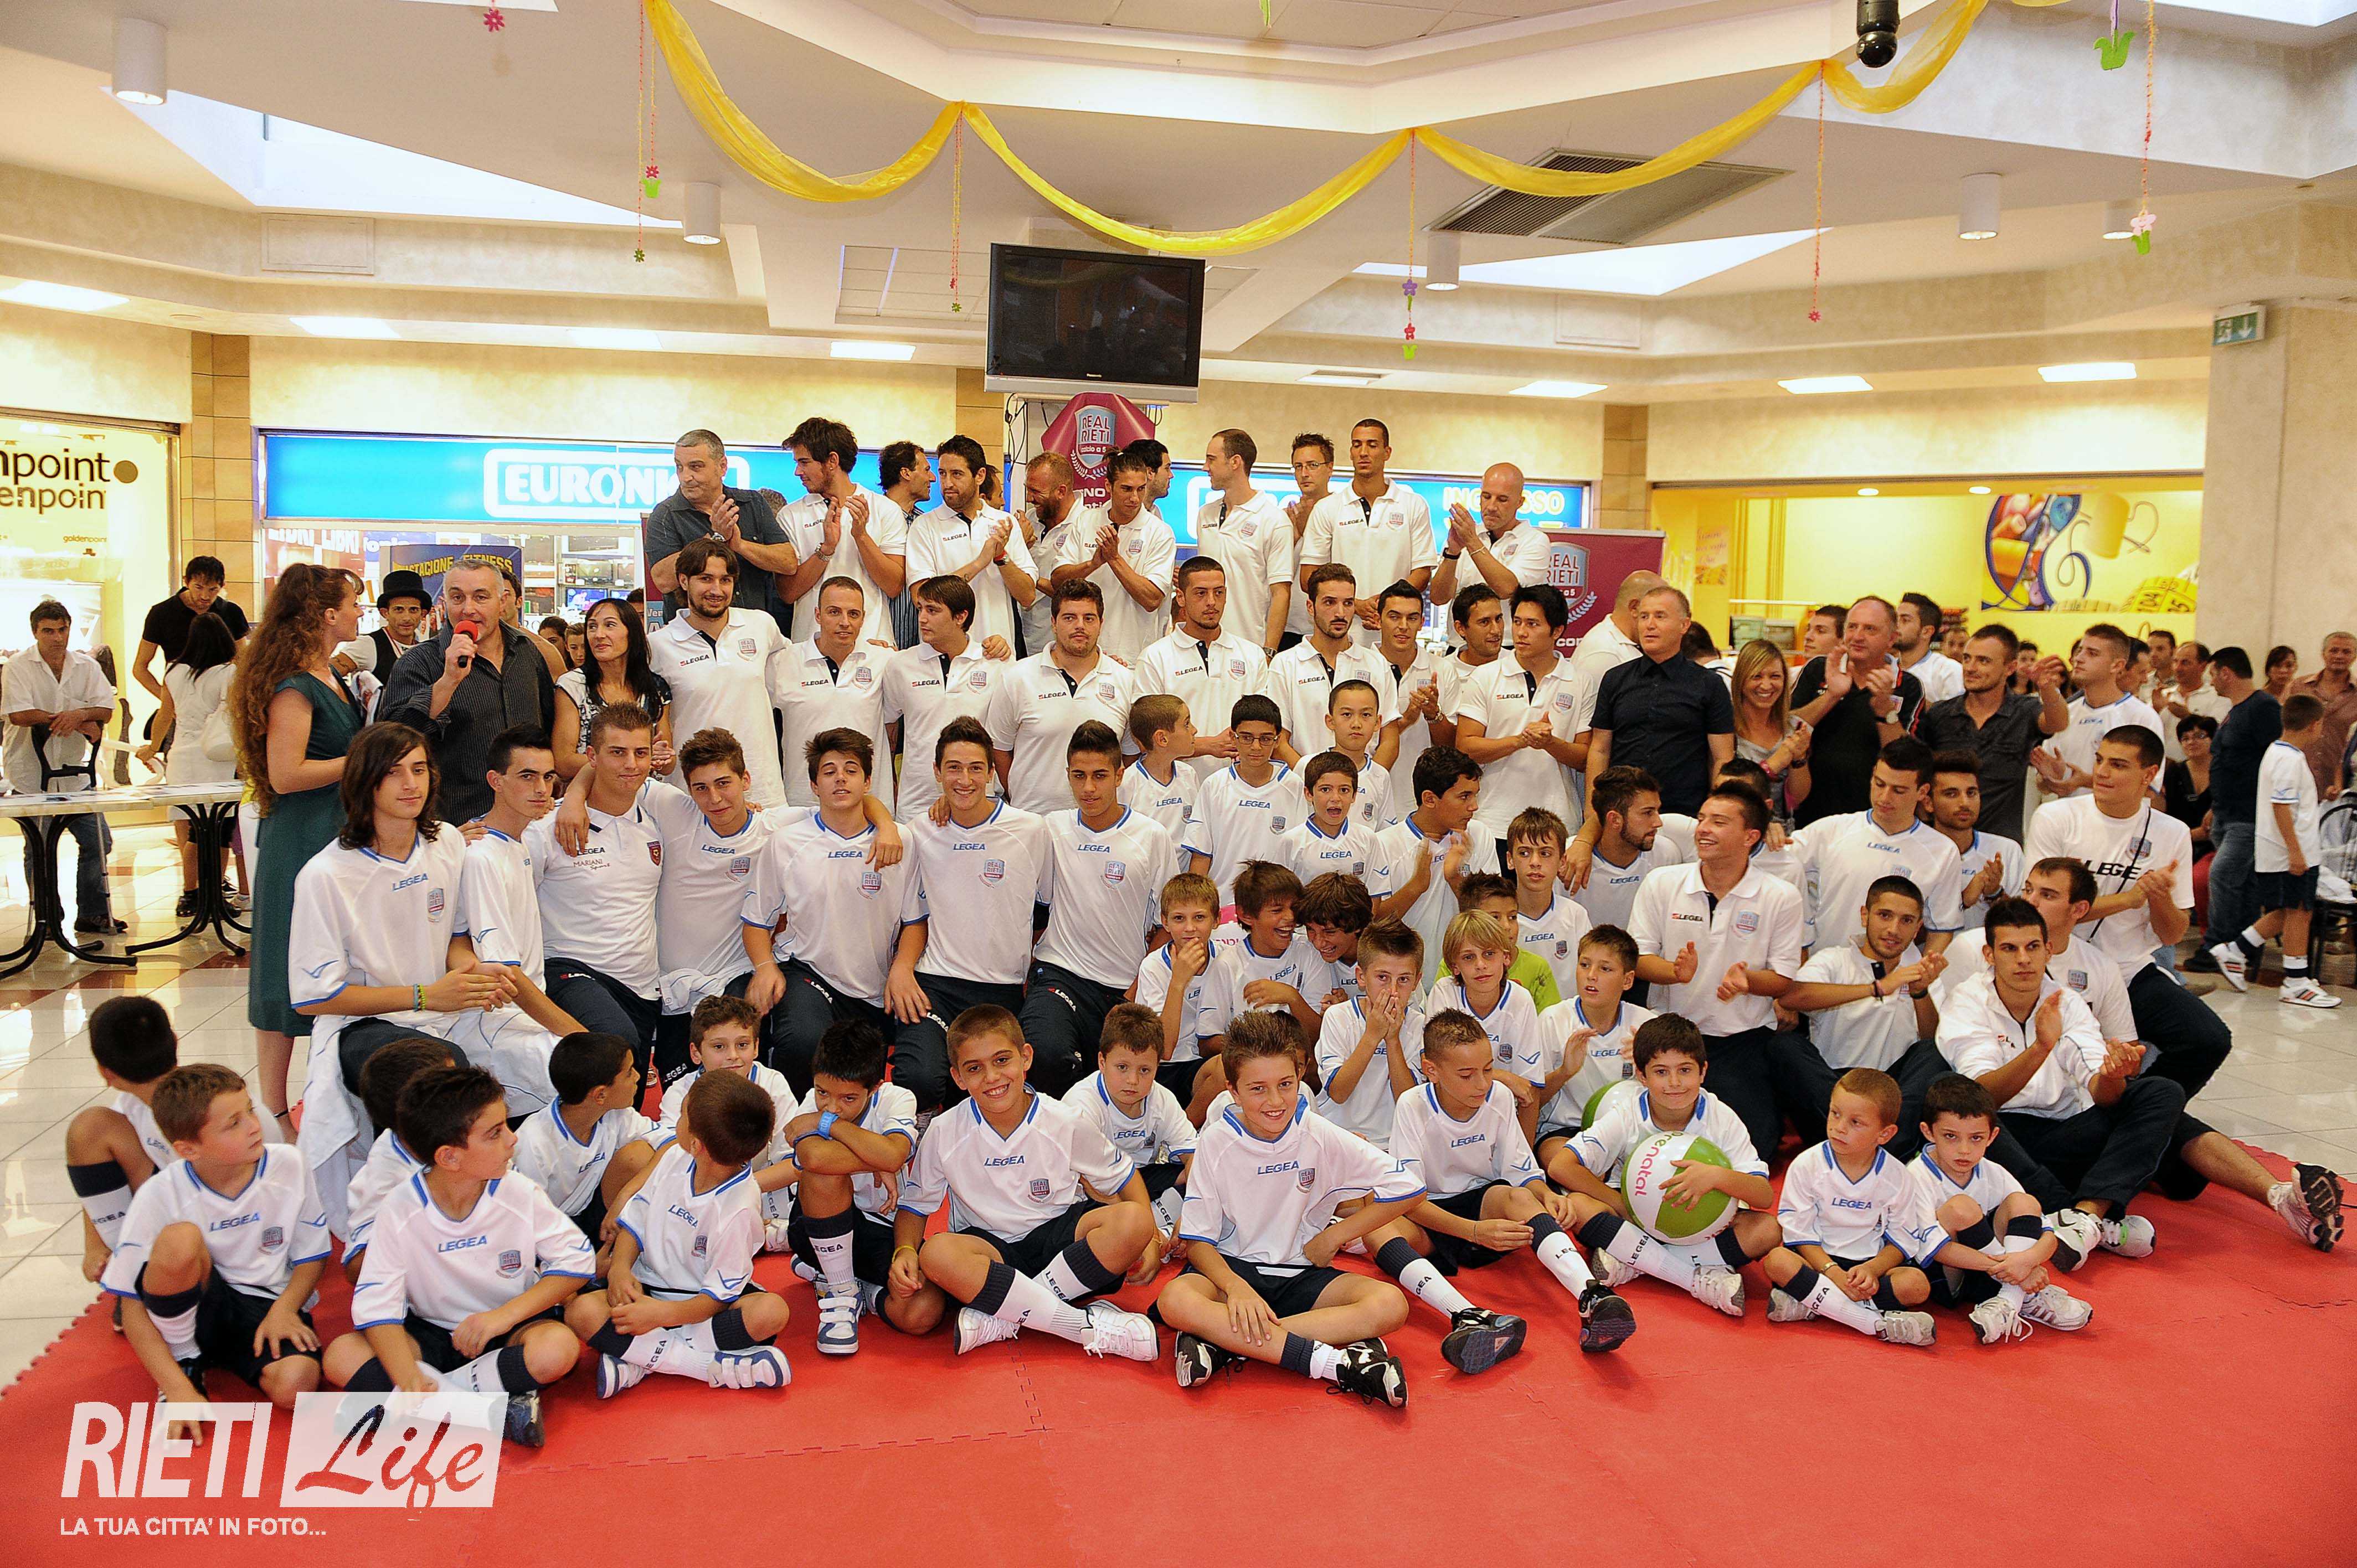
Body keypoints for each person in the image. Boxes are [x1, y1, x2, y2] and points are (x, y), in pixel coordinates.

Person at [289, 725, 573, 1214]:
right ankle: (412, 1212)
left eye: (419, 769)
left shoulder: (446, 843)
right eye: (394, 772)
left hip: (448, 1008)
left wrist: (472, 973)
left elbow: (456, 937)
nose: (411, 784)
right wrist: (425, 996)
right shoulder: (326, 874)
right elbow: (314, 998)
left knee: (558, 1062)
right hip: (367, 1023)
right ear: (365, 782)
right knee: (443, 1077)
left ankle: (532, 1200)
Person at [1160, 1011, 1419, 1404]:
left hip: (1302, 1273)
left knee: (1391, 1304)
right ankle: (1336, 1363)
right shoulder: (1215, 1142)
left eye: (1285, 1084)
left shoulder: (1320, 1133)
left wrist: (1336, 1235)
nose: (1275, 1101)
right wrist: (1236, 1288)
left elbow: (1410, 1189)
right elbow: (1198, 1243)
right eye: (1258, 1089)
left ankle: (1227, 1343)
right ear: (1233, 1091)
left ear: (1300, 1076)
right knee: (1175, 1300)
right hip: (1232, 1271)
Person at [325, 1066, 593, 1446]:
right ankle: (490, 1414)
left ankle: (423, 1405)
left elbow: (577, 1262)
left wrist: (501, 1318)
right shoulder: (400, 1208)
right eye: (495, 1133)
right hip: (431, 1331)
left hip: (508, 1327)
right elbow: (376, 1306)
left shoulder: (518, 1192)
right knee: (341, 1356)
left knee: (557, 1350)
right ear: (449, 1158)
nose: (512, 1139)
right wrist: (407, 1376)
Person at [894, 1005, 1162, 1360]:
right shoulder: (944, 1131)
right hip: (990, 1254)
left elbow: (1124, 1175)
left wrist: (1150, 1239)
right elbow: (915, 1206)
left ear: (1026, 1058)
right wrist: (904, 1250)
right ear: (958, 1078)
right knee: (936, 1253)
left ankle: (1008, 1314)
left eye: (1002, 1061)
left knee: (1137, 1220)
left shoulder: (1064, 1120)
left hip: (1062, 1245)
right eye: (975, 1068)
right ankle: (1075, 1323)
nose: (992, 1077)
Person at [1371, 1008, 1633, 1365]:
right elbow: (1409, 1201)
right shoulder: (1412, 1106)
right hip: (1435, 1216)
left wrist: (1547, 1196)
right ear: (1431, 1070)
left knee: (1519, 1196)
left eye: (1489, 1069)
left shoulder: (1499, 1098)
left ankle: (1592, 1296)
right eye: (1467, 1075)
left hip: (1487, 1212)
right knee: (1379, 1227)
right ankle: (1466, 1316)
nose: (1482, 1084)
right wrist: (1474, 1232)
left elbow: (1520, 1170)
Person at [1936, 898, 2181, 1261]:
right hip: (1998, 1141)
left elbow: (2102, 1093)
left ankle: (2085, 1216)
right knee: (1960, 1109)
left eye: (2033, 947)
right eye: (2010, 949)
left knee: (2161, 1091)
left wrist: (2112, 1076)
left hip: (2060, 1133)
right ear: (1990, 955)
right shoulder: (1968, 1000)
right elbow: (1980, 1098)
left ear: (2048, 951)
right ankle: (2075, 1217)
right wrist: (2040, 1048)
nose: (2024, 959)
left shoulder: (2066, 1002)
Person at [100, 1065, 327, 1425]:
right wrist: (176, 1389)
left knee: (296, 1386)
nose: (254, 1126)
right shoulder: (160, 1194)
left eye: (250, 1110)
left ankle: (222, 1354)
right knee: (180, 1239)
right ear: (188, 1149)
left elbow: (312, 1256)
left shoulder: (289, 1164)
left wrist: (285, 1309)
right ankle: (185, 1358)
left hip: (265, 1302)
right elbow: (131, 1306)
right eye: (233, 1123)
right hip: (196, 1300)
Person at [234, 565, 369, 1139]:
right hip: (300, 840)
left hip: (335, 834)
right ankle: (273, 1107)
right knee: (284, 966)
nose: (359, 613)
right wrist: (363, 758)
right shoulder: (294, 685)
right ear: (326, 614)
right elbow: (285, 774)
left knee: (331, 963)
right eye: (353, 604)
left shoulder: (330, 674)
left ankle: (322, 1095)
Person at [564, 1067, 795, 1395]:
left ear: (697, 1144)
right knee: (581, 1312)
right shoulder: (674, 1156)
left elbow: (717, 1298)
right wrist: (619, 1270)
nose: (678, 1120)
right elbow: (635, 1219)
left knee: (771, 1312)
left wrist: (661, 1316)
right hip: (645, 1290)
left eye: (683, 1115)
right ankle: (698, 1362)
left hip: (700, 1307)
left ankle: (649, 1358)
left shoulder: (740, 1209)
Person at [2026, 725, 2227, 1094]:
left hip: (2128, 970)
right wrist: (2130, 899)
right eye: (2100, 760)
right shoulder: (2056, 817)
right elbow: (2041, 912)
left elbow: (2172, 934)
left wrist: (2158, 897)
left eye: (2118, 765)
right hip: (2053, 967)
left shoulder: (2172, 832)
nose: (2102, 773)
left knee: (2208, 1039)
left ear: (2149, 775)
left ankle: (2142, 1107)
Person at [1547, 1017, 1780, 1318]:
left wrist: (1716, 1176)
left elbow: (1763, 1195)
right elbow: (1561, 1166)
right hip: (1634, 1220)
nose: (1674, 1083)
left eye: (1685, 1070)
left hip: (1704, 1225)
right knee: (1578, 1205)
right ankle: (1698, 1272)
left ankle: (1636, 1260)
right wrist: (1623, 1205)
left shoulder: (1721, 1117)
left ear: (1703, 1071)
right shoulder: (1628, 1114)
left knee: (1768, 1230)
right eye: (1661, 1072)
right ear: (1642, 1076)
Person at [1628, 785, 1805, 1160]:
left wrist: (1749, 982)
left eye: (1719, 822)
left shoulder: (1781, 896)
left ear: (1750, 837)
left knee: (1755, 1150)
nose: (1703, 829)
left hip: (1743, 1039)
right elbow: (1639, 958)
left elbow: (1783, 979)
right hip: (1672, 1032)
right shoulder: (1662, 883)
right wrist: (1675, 973)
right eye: (1702, 819)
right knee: (1649, 1148)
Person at [885, 716, 1052, 1111]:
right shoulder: (919, 832)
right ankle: (922, 1138)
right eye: (954, 768)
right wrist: (902, 968)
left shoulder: (1030, 830)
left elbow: (1044, 907)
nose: (965, 780)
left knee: (998, 1086)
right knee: (917, 1079)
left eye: (976, 768)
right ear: (936, 772)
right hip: (935, 986)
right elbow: (911, 916)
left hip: (1001, 989)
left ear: (992, 772)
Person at [740, 729, 914, 1092]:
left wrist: (903, 968)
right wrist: (765, 966)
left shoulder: (899, 841)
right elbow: (757, 921)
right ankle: (790, 1119)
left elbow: (915, 921)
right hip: (808, 972)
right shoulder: (787, 843)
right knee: (802, 1043)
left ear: (868, 782)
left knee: (861, 1081)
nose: (840, 779)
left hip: (873, 990)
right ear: (814, 785)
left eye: (851, 770)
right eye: (829, 771)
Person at [1020, 722, 1180, 1096]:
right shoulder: (1050, 828)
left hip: (1123, 989)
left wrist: (1138, 987)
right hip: (1059, 974)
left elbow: (1170, 925)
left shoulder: (1151, 837)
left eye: (1100, 776)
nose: (1089, 788)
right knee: (1046, 1056)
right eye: (1079, 776)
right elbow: (990, 825)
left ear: (1120, 775)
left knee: (1116, 1089)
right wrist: (947, 804)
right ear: (1068, 776)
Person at [773, 1020, 936, 1352]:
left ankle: (860, 1290)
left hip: (881, 1229)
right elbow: (815, 1158)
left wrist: (825, 1124)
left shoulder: (897, 1098)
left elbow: (894, 1155)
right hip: (814, 1229)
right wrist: (877, 1159)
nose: (832, 1106)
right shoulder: (810, 1101)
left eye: (848, 1098)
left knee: (924, 1311)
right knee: (822, 1173)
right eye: (823, 1093)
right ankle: (842, 1293)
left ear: (874, 1088)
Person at [1893, 1075, 2086, 1345]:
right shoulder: (1915, 1176)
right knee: (1961, 1207)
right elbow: (1935, 1250)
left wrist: (2027, 1261)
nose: (1964, 1150)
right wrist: (2016, 1270)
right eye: (1950, 1137)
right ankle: (2019, 1292)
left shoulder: (1995, 1172)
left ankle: (2009, 1301)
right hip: (1947, 1277)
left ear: (1992, 1136)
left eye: (1976, 1138)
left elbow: (2048, 1235)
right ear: (1928, 1132)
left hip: (1993, 1272)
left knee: (2024, 1201)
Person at [525, 704, 668, 1066]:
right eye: (617, 753)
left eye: (640, 753)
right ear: (592, 757)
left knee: (627, 1091)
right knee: (615, 1044)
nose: (631, 764)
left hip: (642, 988)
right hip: (571, 972)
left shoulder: (660, 820)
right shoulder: (548, 828)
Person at [1758, 1067, 1938, 1345]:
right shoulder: (1807, 1165)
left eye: (1856, 1122)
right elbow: (1798, 1234)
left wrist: (1872, 1270)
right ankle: (1871, 1322)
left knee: (1916, 1285)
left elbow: (1902, 1240)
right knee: (1777, 1261)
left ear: (1885, 1134)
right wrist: (1832, 1272)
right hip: (1818, 1262)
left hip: (1867, 1270)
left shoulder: (1898, 1177)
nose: (1839, 1127)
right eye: (1835, 1113)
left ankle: (1814, 1304)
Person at [380, 558, 559, 825]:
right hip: (459, 824)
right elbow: (393, 742)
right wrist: (449, 681)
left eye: (480, 597)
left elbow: (547, 725)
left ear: (503, 601)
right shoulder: (418, 662)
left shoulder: (526, 651)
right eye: (457, 598)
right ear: (445, 603)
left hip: (531, 822)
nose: (468, 609)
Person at [1775, 876, 1949, 1143]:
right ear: (1865, 915)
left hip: (1892, 1092)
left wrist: (1920, 993)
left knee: (1933, 1051)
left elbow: (1933, 1044)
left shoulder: (1923, 973)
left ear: (1917, 929)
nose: (1893, 929)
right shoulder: (1834, 960)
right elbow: (1791, 997)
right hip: (1834, 1087)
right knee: (1784, 1046)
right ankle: (1855, 1136)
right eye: (1885, 916)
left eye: (1906, 921)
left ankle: (1885, 1144)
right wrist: (1876, 988)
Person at [2213, 693, 2341, 1008]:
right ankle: (2295, 982)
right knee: (2299, 912)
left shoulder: (2278, 752)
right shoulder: (2288, 759)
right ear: (2314, 725)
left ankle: (2235, 951)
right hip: (2289, 852)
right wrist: (2296, 852)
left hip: (2288, 850)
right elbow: (2281, 807)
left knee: (2289, 910)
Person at [647, 538, 792, 807]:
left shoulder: (761, 625)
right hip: (694, 795)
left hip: (763, 790)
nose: (716, 590)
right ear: (684, 581)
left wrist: (870, 650)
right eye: (706, 579)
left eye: (725, 580)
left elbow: (802, 661)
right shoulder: (657, 646)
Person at [3, 601, 119, 932]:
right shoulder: (17, 667)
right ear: (35, 633)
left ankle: (93, 912)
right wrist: (72, 720)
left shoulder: (86, 666)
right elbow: (19, 714)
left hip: (74, 774)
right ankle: (47, 917)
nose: (57, 637)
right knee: (39, 848)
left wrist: (80, 714)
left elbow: (105, 710)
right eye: (48, 631)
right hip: (29, 773)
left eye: (62, 630)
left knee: (99, 841)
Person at [1789, 736, 1964, 956]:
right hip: (1824, 967)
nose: (1884, 797)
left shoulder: (1943, 851)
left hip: (1896, 974)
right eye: (1880, 784)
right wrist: (1770, 835)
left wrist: (1922, 972)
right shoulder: (1827, 831)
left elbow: (1942, 929)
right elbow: (1772, 865)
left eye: (1898, 790)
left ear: (1922, 791)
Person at [986, 580, 1136, 815]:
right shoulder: (1017, 677)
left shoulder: (1125, 680)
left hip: (1097, 822)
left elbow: (1129, 755)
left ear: (1101, 623)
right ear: (1054, 623)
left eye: (1089, 618)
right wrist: (1020, 794)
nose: (1080, 626)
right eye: (1069, 618)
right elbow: (999, 750)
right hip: (1033, 817)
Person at [1587, 585, 1735, 818]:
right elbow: (1599, 749)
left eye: (1660, 616)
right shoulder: (1615, 679)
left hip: (1684, 812)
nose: (1650, 625)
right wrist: (1592, 810)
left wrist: (1716, 811)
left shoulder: (1709, 684)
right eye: (1644, 617)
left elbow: (1722, 757)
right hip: (1620, 812)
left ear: (1684, 625)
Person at [509, 1031, 660, 1257]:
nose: (638, 1077)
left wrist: (624, 1196)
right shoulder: (534, 1143)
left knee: (640, 1154)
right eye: (629, 1073)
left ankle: (617, 1249)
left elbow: (672, 1143)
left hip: (593, 1213)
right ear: (600, 1095)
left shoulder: (615, 1113)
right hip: (550, 1231)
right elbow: (523, 1226)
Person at [1455, 584, 1580, 858]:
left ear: (1557, 631)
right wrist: (1520, 741)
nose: (1521, 632)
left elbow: (1587, 757)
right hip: (1493, 822)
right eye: (1517, 622)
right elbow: (1465, 747)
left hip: (1558, 824)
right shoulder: (1486, 676)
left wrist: (1549, 743)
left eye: (1533, 624)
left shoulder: (1580, 680)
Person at [130, 608, 240, 916]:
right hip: (216, 758)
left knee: (194, 831)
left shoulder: (174, 672)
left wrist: (153, 748)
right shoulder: (228, 673)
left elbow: (165, 715)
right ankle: (214, 895)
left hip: (181, 756)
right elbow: (236, 717)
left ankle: (190, 894)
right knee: (219, 831)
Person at [67, 996, 180, 1286]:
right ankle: (130, 1263)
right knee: (92, 1127)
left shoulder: (201, 1106)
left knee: (88, 1129)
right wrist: (95, 1244)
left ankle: (137, 1269)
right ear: (176, 1042)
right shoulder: (128, 1110)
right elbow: (102, 1183)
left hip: (212, 1238)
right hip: (183, 1226)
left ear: (106, 1073)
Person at [1919, 623, 2068, 842]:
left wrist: (2047, 688)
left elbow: (2058, 723)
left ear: (2010, 668)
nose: (1970, 668)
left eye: (1983, 661)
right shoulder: (1940, 714)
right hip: (1942, 841)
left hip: (2000, 843)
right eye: (1967, 659)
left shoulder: (2025, 711)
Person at [1135, 556, 1274, 787]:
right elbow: (1145, 739)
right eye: (1201, 593)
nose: (1212, 602)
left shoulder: (1252, 655)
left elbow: (1264, 726)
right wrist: (1208, 745)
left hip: (1240, 789)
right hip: (1174, 790)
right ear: (1181, 597)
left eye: (1218, 593)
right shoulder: (1154, 658)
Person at [1066, 1003, 1199, 1244]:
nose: (1133, 1080)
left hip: (1141, 1176)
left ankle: (1163, 1220)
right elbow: (1081, 1179)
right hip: (1095, 1189)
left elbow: (1194, 1159)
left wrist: (1193, 1213)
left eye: (1145, 1070)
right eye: (1122, 1068)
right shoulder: (1081, 1104)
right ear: (1102, 1062)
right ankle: (1153, 1223)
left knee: (1195, 1176)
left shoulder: (1162, 1099)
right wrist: (1137, 1221)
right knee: (1085, 1212)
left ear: (1158, 1067)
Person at [883, 574, 1012, 818]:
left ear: (960, 617)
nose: (922, 618)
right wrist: (891, 784)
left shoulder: (997, 664)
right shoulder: (900, 665)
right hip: (916, 805)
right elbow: (889, 731)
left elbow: (1009, 739)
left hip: (979, 799)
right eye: (920, 609)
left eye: (932, 610)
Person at [1296, 419, 1435, 646]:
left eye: (1372, 445)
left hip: (1394, 637)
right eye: (1357, 445)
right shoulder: (1328, 508)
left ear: (1387, 452)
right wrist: (1354, 604)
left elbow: (1422, 572)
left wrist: (1386, 606)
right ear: (1351, 452)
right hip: (1341, 638)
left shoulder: (1413, 505)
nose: (1363, 452)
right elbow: (1308, 577)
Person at [1367, 747, 1496, 988]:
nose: (1474, 806)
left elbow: (1492, 920)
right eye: (1464, 797)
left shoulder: (1479, 835)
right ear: (1429, 799)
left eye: (1475, 795)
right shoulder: (1382, 845)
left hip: (1465, 981)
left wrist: (1455, 879)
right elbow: (1372, 925)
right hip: (1405, 985)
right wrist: (1416, 887)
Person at [771, 416, 907, 644]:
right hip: (810, 647)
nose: (797, 471)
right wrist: (826, 549)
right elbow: (788, 593)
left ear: (832, 461)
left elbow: (894, 586)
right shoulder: (790, 515)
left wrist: (861, 537)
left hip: (872, 644)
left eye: (804, 462)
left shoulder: (885, 509)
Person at [1790, 596, 1923, 827]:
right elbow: (1788, 730)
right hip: (1812, 815)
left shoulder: (1907, 685)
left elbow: (1905, 761)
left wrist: (1884, 709)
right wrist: (1831, 695)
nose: (1858, 636)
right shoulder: (1818, 669)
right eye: (1852, 627)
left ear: (1892, 639)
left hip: (1873, 819)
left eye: (1870, 629)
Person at [2188, 646, 2279, 977]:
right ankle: (2245, 948)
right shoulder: (2235, 711)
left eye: (2213, 674)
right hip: (2227, 812)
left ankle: (2218, 947)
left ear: (2226, 673)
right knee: (2242, 883)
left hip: (2250, 814)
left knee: (2223, 875)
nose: (2211, 681)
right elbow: (2229, 762)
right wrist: (2215, 806)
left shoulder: (2264, 708)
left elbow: (2276, 759)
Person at [645, 429, 794, 627]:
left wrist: (740, 546)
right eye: (680, 467)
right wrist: (715, 539)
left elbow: (788, 563)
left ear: (722, 466)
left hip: (752, 631)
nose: (686, 477)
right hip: (692, 637)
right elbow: (663, 581)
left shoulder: (752, 503)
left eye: (696, 467)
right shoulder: (665, 515)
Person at [1530, 926, 1651, 1166]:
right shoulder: (1553, 1020)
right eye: (1584, 965)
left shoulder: (1645, 1024)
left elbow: (1668, 1096)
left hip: (1628, 1130)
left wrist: (1646, 1070)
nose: (1591, 975)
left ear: (1627, 980)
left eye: (1605, 969)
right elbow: (1532, 1101)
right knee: (1573, 1164)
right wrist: (1565, 1072)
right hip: (1566, 1130)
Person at [908, 436, 1040, 655]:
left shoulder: (1005, 523)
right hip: (943, 656)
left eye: (957, 474)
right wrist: (980, 562)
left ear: (979, 476)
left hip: (997, 652)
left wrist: (1001, 558)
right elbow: (921, 597)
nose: (947, 483)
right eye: (943, 474)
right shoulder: (924, 526)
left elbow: (1027, 596)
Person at [340, 1038, 458, 1278]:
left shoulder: (468, 1135)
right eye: (452, 1090)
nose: (466, 1093)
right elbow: (357, 1267)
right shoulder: (387, 1174)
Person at [777, 577, 896, 812]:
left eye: (853, 614)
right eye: (834, 612)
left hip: (870, 806)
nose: (845, 622)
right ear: (818, 615)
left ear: (863, 618)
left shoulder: (886, 661)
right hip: (802, 804)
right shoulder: (784, 661)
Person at [1048, 450, 1176, 665]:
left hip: (1134, 656)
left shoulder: (1160, 532)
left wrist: (1114, 559)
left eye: (1141, 489)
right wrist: (1093, 564)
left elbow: (1152, 599)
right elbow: (1057, 581)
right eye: (1127, 489)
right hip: (1083, 653)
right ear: (1108, 486)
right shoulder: (1086, 521)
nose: (1135, 498)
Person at [1183, 695, 1304, 914]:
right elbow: (1201, 856)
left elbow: (1301, 855)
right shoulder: (1214, 785)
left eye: (1265, 739)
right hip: (1223, 907)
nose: (1256, 747)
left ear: (1278, 740)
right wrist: (1197, 909)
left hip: (1277, 909)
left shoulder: (1294, 785)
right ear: (1233, 737)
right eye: (1247, 738)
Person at [1311, 918, 1427, 1147]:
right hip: (1340, 1136)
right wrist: (1373, 1035)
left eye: (1404, 980)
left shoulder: (1420, 1025)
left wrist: (1393, 1040)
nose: (1393, 991)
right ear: (1361, 977)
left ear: (1417, 982)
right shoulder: (1338, 1017)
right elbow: (1338, 1093)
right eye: (1382, 977)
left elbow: (1409, 1102)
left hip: (1394, 1140)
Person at [2031, 624, 2164, 802]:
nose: (2079, 659)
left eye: (2092, 654)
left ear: (2117, 666)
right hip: (2067, 816)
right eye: (2080, 651)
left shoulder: (2143, 717)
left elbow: (2149, 789)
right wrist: (2051, 779)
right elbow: (2042, 785)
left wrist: (2084, 781)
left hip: (2116, 819)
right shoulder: (2065, 713)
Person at [1267, 565, 1387, 759]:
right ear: (1310, 607)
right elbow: (1279, 740)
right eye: (1330, 603)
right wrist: (1311, 774)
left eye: (1348, 603)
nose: (1340, 613)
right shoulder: (1285, 665)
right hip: (1303, 777)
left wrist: (1369, 776)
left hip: (1364, 777)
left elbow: (1389, 739)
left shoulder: (1377, 664)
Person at [553, 595, 673, 783]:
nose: (598, 635)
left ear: (631, 632)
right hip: (589, 793)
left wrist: (661, 757)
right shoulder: (573, 685)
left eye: (609, 625)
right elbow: (563, 762)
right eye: (592, 627)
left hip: (645, 794)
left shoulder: (655, 688)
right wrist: (632, 760)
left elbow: (668, 765)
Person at [1193, 429, 1292, 653]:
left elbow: (1281, 594)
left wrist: (1269, 652)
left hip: (1249, 648)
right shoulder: (1205, 514)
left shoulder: (1274, 520)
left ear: (1235, 462)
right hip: (1203, 646)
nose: (1205, 467)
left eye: (1211, 459)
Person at [1566, 766, 1686, 935]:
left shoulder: (1667, 854)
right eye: (1647, 813)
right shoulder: (1568, 858)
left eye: (1657, 811)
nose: (1658, 822)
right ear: (1615, 820)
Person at [1136, 870, 1221, 1103]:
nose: (1190, 928)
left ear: (1217, 920)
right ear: (1165, 922)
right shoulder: (1153, 967)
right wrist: (1178, 982)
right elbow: (1164, 1050)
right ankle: (1184, 1124)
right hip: (1166, 1068)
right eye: (1179, 919)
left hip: (1205, 1060)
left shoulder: (1228, 959)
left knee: (1237, 1065)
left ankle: (1187, 1123)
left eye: (1199, 918)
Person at [132, 556, 250, 717]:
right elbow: (140, 668)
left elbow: (242, 662)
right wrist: (169, 702)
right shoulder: (162, 613)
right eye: (198, 587)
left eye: (213, 590)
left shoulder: (231, 612)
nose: (205, 596)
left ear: (223, 586)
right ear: (186, 582)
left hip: (221, 706)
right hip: (180, 701)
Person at [1365, 580, 1443, 819]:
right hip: (1365, 796)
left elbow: (1451, 745)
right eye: (1394, 617)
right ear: (1378, 619)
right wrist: (1407, 719)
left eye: (1412, 618)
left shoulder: (1441, 669)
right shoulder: (1357, 666)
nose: (1403, 626)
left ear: (1422, 622)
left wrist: (1434, 714)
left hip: (1421, 802)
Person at [1566, 570, 1664, 748]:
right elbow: (1591, 734)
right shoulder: (1603, 653)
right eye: (1657, 613)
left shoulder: (1630, 645)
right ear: (1634, 608)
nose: (1657, 623)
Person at [1430, 463, 1551, 605]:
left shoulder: (1535, 540)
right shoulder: (1465, 535)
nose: (1492, 507)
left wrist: (1472, 541)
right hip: (1461, 621)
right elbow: (1438, 598)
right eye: (1486, 497)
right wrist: (1452, 553)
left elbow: (1508, 590)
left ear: (1520, 502)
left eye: (1502, 500)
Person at [1928, 750, 2025, 918]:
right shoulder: (1913, 852)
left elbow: (2022, 924)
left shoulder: (2008, 850)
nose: (1964, 803)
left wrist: (1994, 893)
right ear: (1928, 802)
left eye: (1971, 793)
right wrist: (1963, 901)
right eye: (1951, 794)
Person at [1728, 638, 1811, 826]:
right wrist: (1773, 765)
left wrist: (1799, 759)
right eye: (1757, 677)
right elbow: (1726, 791)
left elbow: (1798, 798)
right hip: (1737, 829)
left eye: (1775, 676)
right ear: (1741, 680)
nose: (1766, 685)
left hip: (1784, 833)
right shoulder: (1725, 728)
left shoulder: (1793, 727)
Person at [1274, 749, 1381, 891]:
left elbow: (1375, 895)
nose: (1335, 798)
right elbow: (1281, 896)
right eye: (1325, 790)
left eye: (1344, 790)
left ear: (1354, 795)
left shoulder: (1367, 839)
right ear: (1309, 794)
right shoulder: (1291, 842)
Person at [1278, 434, 1336, 647]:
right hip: (1289, 625)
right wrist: (1294, 537)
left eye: (1313, 465)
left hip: (1330, 623)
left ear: (1330, 468)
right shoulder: (1283, 517)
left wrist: (1309, 531)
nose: (1304, 473)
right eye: (1298, 466)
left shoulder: (1342, 512)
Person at [878, 441, 937, 648]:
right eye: (927, 470)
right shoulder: (871, 518)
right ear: (906, 473)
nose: (933, 478)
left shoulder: (927, 524)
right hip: (880, 640)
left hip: (921, 645)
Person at [1120, 694, 1199, 842]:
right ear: (1162, 739)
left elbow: (1197, 832)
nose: (1195, 730)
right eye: (1187, 724)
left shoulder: (1188, 774)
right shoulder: (1127, 783)